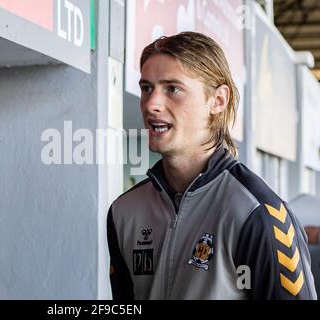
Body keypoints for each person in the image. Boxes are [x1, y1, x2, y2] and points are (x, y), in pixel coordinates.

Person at [107, 32, 317, 300]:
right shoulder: (124, 211)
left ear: (218, 101)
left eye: (173, 89)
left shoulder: (258, 214)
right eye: (146, 88)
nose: (151, 104)